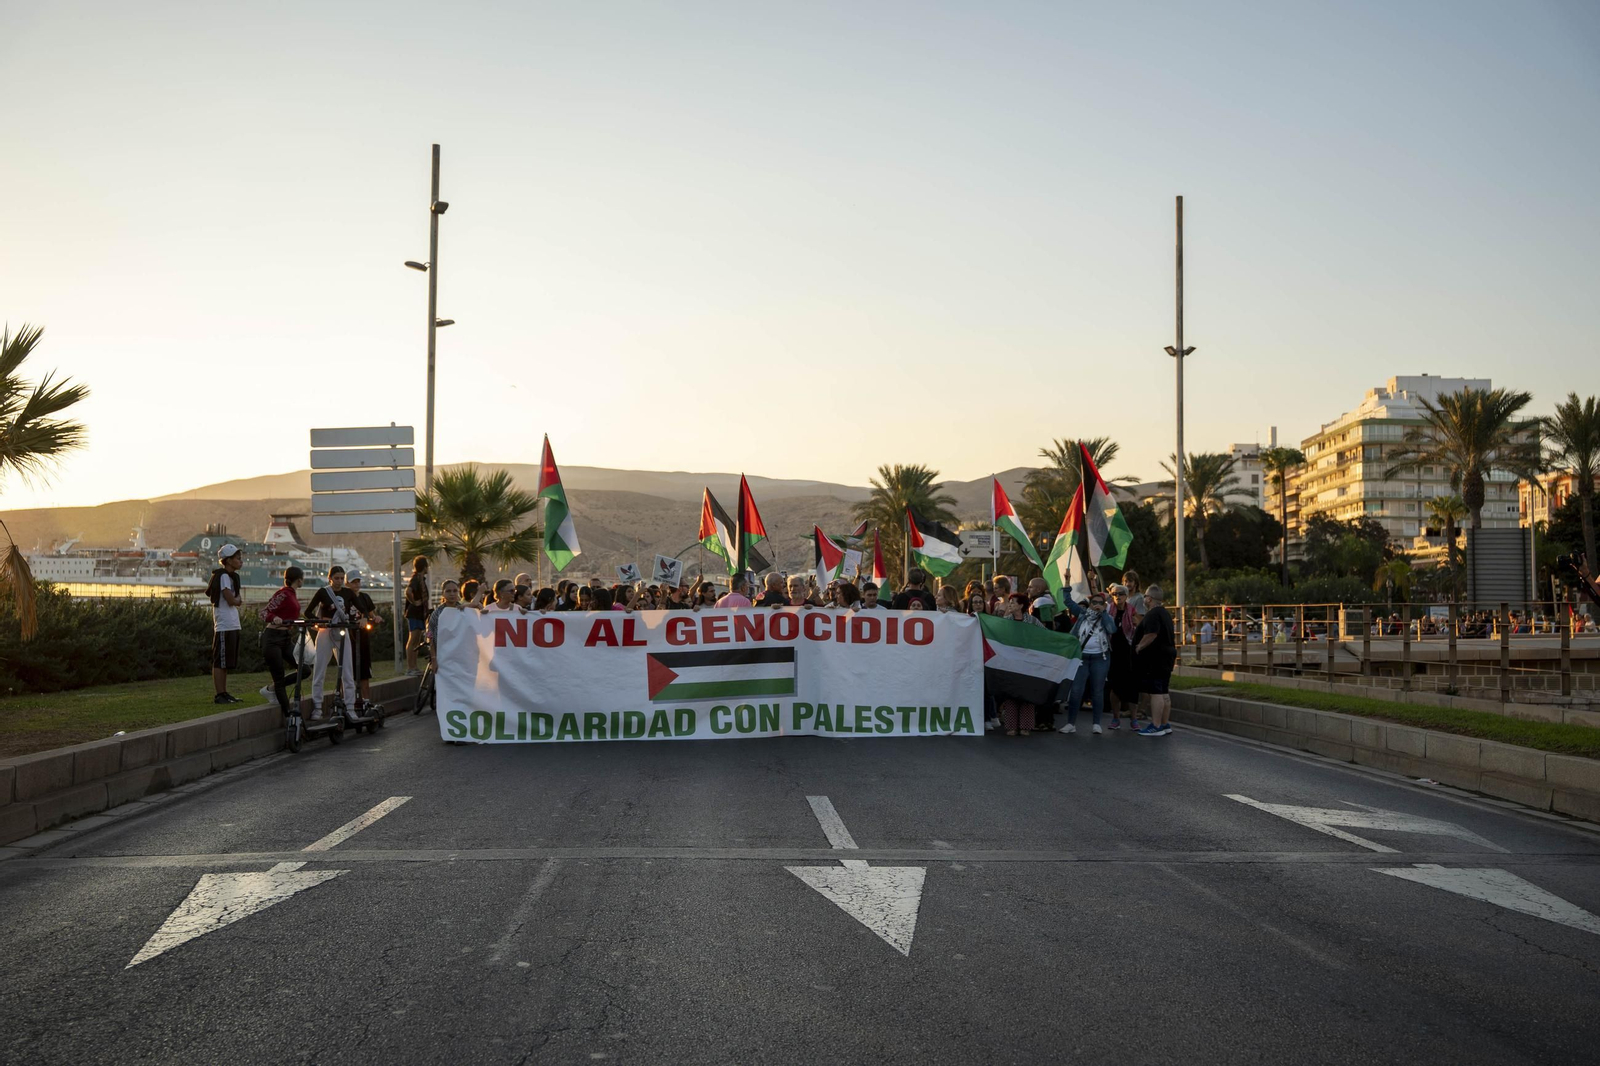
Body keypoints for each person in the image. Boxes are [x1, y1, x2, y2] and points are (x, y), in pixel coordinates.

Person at [306, 565, 358, 716]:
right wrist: (319, 621)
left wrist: (365, 618)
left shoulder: (348, 593)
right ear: (330, 578)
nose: (339, 581)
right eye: (336, 578)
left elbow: (361, 607)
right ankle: (317, 707)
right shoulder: (323, 592)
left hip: (342, 631)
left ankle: (350, 707)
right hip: (325, 631)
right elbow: (308, 611)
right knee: (319, 669)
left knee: (348, 671)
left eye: (342, 578)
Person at [1061, 590, 1116, 735]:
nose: (1097, 605)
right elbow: (1068, 602)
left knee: (1097, 691)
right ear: (1089, 604)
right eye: (1094, 602)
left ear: (1104, 605)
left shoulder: (1107, 617)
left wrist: (1103, 613)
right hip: (1082, 658)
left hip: (1100, 658)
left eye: (1100, 603)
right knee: (1076, 691)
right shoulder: (1082, 614)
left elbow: (1112, 629)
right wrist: (1066, 585)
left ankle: (1096, 724)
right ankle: (1070, 723)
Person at [258, 565, 304, 716]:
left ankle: (271, 690)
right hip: (272, 638)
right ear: (299, 580)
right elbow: (264, 612)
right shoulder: (283, 594)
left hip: (285, 638)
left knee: (305, 669)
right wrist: (274, 617)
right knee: (279, 676)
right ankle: (288, 715)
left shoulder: (292, 594)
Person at [1134, 585, 1176, 736]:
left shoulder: (1152, 614)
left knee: (1155, 691)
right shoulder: (1165, 613)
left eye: (1145, 596)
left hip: (1156, 657)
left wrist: (1139, 646)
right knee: (1164, 690)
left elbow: (1151, 634)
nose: (1144, 599)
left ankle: (1156, 725)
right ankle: (1165, 724)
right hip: (1168, 656)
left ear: (1149, 598)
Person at [207, 543, 245, 704]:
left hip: (232, 623)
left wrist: (237, 600)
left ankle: (224, 692)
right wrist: (237, 600)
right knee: (220, 660)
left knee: (226, 662)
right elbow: (231, 599)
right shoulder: (223, 576)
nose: (240, 561)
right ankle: (219, 694)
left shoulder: (231, 577)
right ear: (228, 560)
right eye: (237, 558)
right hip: (224, 624)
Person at [343, 570, 382, 707]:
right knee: (347, 671)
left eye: (358, 581)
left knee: (364, 671)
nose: (356, 584)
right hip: (348, 637)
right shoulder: (344, 598)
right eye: (353, 582)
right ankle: (348, 701)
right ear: (347, 583)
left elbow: (372, 614)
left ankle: (366, 701)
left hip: (363, 638)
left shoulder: (365, 597)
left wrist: (375, 618)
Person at [1105, 584, 1142, 730]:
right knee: (1115, 688)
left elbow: (1140, 629)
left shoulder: (1133, 612)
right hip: (1113, 654)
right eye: (1114, 594)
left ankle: (1134, 719)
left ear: (1126, 596)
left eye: (1120, 594)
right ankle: (1116, 718)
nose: (1117, 596)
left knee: (1132, 688)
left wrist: (1137, 624)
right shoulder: (1108, 611)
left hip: (1130, 655)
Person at [404, 557, 430, 676]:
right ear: (424, 567)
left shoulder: (420, 579)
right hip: (414, 613)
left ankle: (414, 667)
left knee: (416, 641)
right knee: (413, 640)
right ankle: (410, 668)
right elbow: (408, 591)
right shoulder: (415, 579)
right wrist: (414, 602)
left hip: (419, 614)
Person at [426, 579, 466, 651]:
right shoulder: (437, 613)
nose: (452, 594)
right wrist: (433, 658)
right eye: (448, 591)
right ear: (443, 593)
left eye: (455, 591)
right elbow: (430, 636)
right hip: (442, 654)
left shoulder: (464, 611)